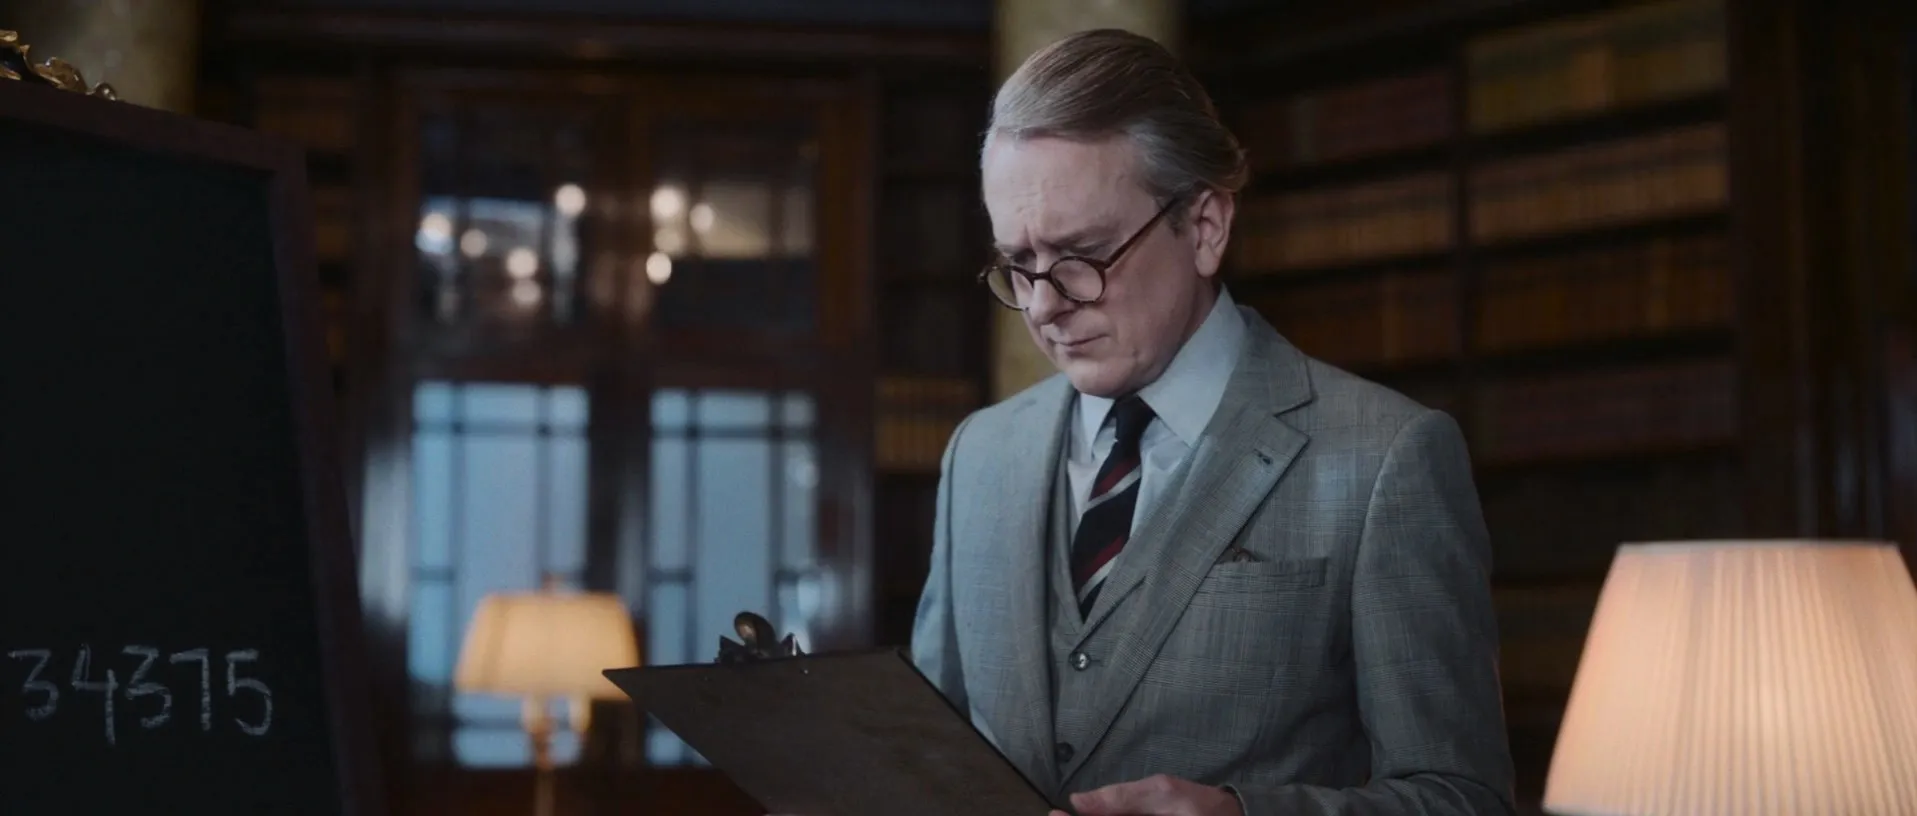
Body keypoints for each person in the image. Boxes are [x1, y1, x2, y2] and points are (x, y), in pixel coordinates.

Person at [909, 28, 1517, 816]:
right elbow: (924, 758)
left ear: (1204, 227)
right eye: (1017, 264)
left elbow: (1461, 798)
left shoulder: (1386, 457)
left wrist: (1242, 814)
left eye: (1081, 254)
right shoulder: (979, 453)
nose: (1043, 306)